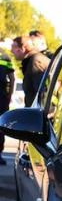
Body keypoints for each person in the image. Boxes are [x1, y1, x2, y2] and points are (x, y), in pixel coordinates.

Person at [11, 35, 50, 108]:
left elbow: (43, 94)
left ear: (23, 49)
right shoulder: (31, 61)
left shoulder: (36, 61)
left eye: (14, 47)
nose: (11, 50)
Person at [0, 36, 15, 165]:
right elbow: (12, 79)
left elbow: (12, 78)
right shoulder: (5, 56)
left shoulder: (5, 56)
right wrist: (9, 96)